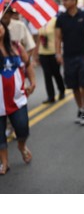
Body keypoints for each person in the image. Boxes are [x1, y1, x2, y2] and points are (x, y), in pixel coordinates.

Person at [0, 21, 36, 175]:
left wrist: (32, 81)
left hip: (17, 98)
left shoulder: (16, 46)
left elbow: (27, 65)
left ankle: (21, 146)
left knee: (22, 128)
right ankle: (4, 162)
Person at [55, 0, 84, 125]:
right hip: (68, 56)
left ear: (74, 1)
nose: (64, 2)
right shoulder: (60, 18)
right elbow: (58, 37)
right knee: (74, 85)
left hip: (83, 55)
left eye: (66, 0)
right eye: (63, 0)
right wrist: (58, 53)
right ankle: (80, 108)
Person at [37, 16, 66, 103]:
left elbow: (59, 36)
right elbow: (39, 38)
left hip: (53, 51)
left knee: (56, 73)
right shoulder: (40, 21)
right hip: (43, 52)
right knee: (47, 75)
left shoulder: (55, 21)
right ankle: (51, 96)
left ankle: (61, 90)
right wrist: (36, 54)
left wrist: (59, 52)